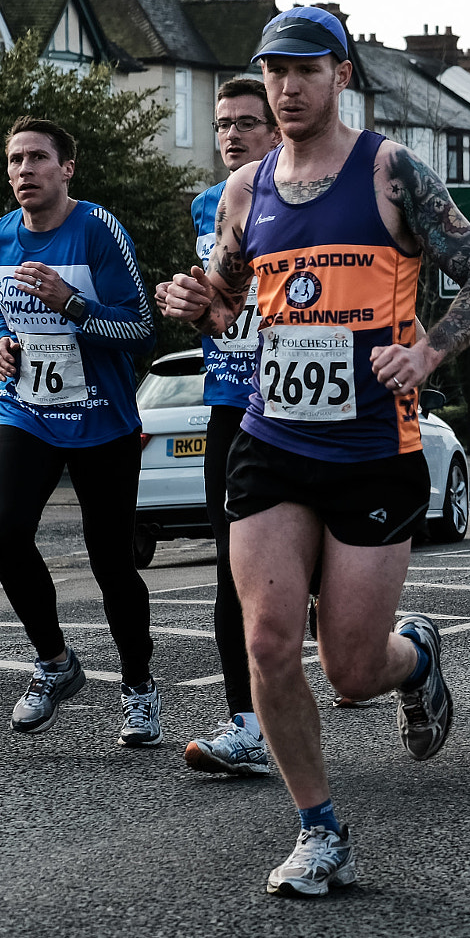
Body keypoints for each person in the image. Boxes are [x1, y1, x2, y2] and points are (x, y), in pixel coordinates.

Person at [159, 6, 470, 896]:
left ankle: (415, 655)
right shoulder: (248, 190)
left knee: (352, 669)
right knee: (271, 641)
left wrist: (426, 351)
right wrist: (193, 299)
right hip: (272, 441)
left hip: (371, 448)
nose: (285, 87)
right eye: (273, 71)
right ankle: (318, 827)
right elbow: (230, 301)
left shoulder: (391, 171)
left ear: (341, 75)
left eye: (304, 70)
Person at [0, 117, 158, 742]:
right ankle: (54, 662)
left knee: (111, 562)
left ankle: (138, 689)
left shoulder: (98, 231)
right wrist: (2, 343)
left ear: (67, 169)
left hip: (102, 421)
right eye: (14, 161)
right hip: (27, 410)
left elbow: (141, 327)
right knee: (6, 534)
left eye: (37, 158)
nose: (24, 171)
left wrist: (71, 303)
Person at [168, 78, 282, 776]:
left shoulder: (302, 199)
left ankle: (394, 649)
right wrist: (187, 299)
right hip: (229, 403)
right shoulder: (207, 207)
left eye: (247, 122)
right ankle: (246, 723)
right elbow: (217, 304)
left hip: (300, 409)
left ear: (274, 133)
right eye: (222, 124)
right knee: (230, 572)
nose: (233, 134)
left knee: (328, 582)